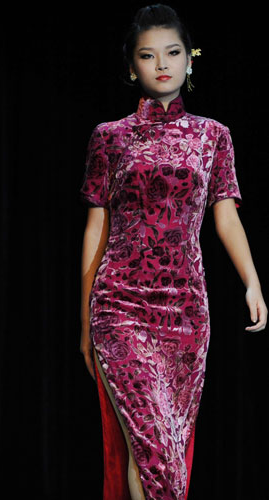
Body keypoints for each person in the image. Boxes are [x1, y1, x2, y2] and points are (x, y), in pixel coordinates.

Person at [80, 4, 267, 500]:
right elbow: (96, 228)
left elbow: (226, 216)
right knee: (150, 447)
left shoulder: (213, 137)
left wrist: (252, 281)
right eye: (147, 55)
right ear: (131, 67)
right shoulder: (109, 137)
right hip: (119, 305)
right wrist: (84, 322)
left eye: (172, 52)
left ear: (190, 60)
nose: (161, 63)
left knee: (166, 450)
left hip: (185, 312)